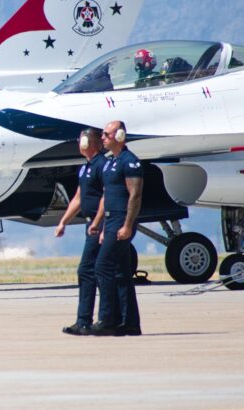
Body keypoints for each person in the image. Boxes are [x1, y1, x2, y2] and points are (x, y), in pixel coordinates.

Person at [89, 120, 142, 336]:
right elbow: (107, 195)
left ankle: (107, 319)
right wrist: (101, 225)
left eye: (106, 134)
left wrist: (127, 225)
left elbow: (135, 195)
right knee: (121, 273)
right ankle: (128, 323)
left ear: (119, 136)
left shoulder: (130, 162)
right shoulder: (111, 162)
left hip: (121, 220)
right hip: (111, 222)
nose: (102, 137)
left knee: (102, 267)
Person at [54, 128, 107, 335]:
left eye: (80, 140)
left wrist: (98, 221)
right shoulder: (86, 167)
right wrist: (63, 222)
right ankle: (86, 320)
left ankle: (89, 321)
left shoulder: (102, 165)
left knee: (88, 270)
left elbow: (106, 195)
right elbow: (78, 197)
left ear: (86, 142)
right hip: (90, 224)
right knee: (91, 271)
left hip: (99, 224)